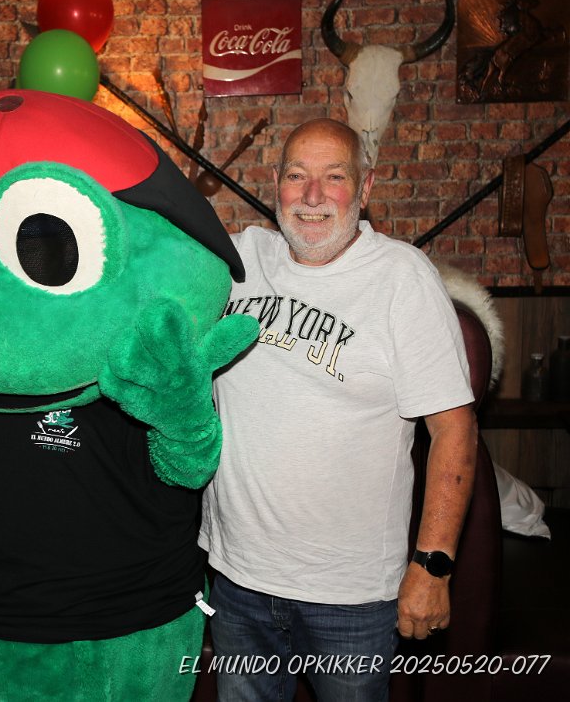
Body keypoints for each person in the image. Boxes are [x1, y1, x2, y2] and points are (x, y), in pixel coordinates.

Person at [200, 118, 477, 701]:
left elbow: (454, 430)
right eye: (296, 176)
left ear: (366, 188)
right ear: (275, 183)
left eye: (334, 177)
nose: (312, 196)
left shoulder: (401, 278)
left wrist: (432, 566)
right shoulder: (239, 260)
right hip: (238, 580)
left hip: (352, 597)